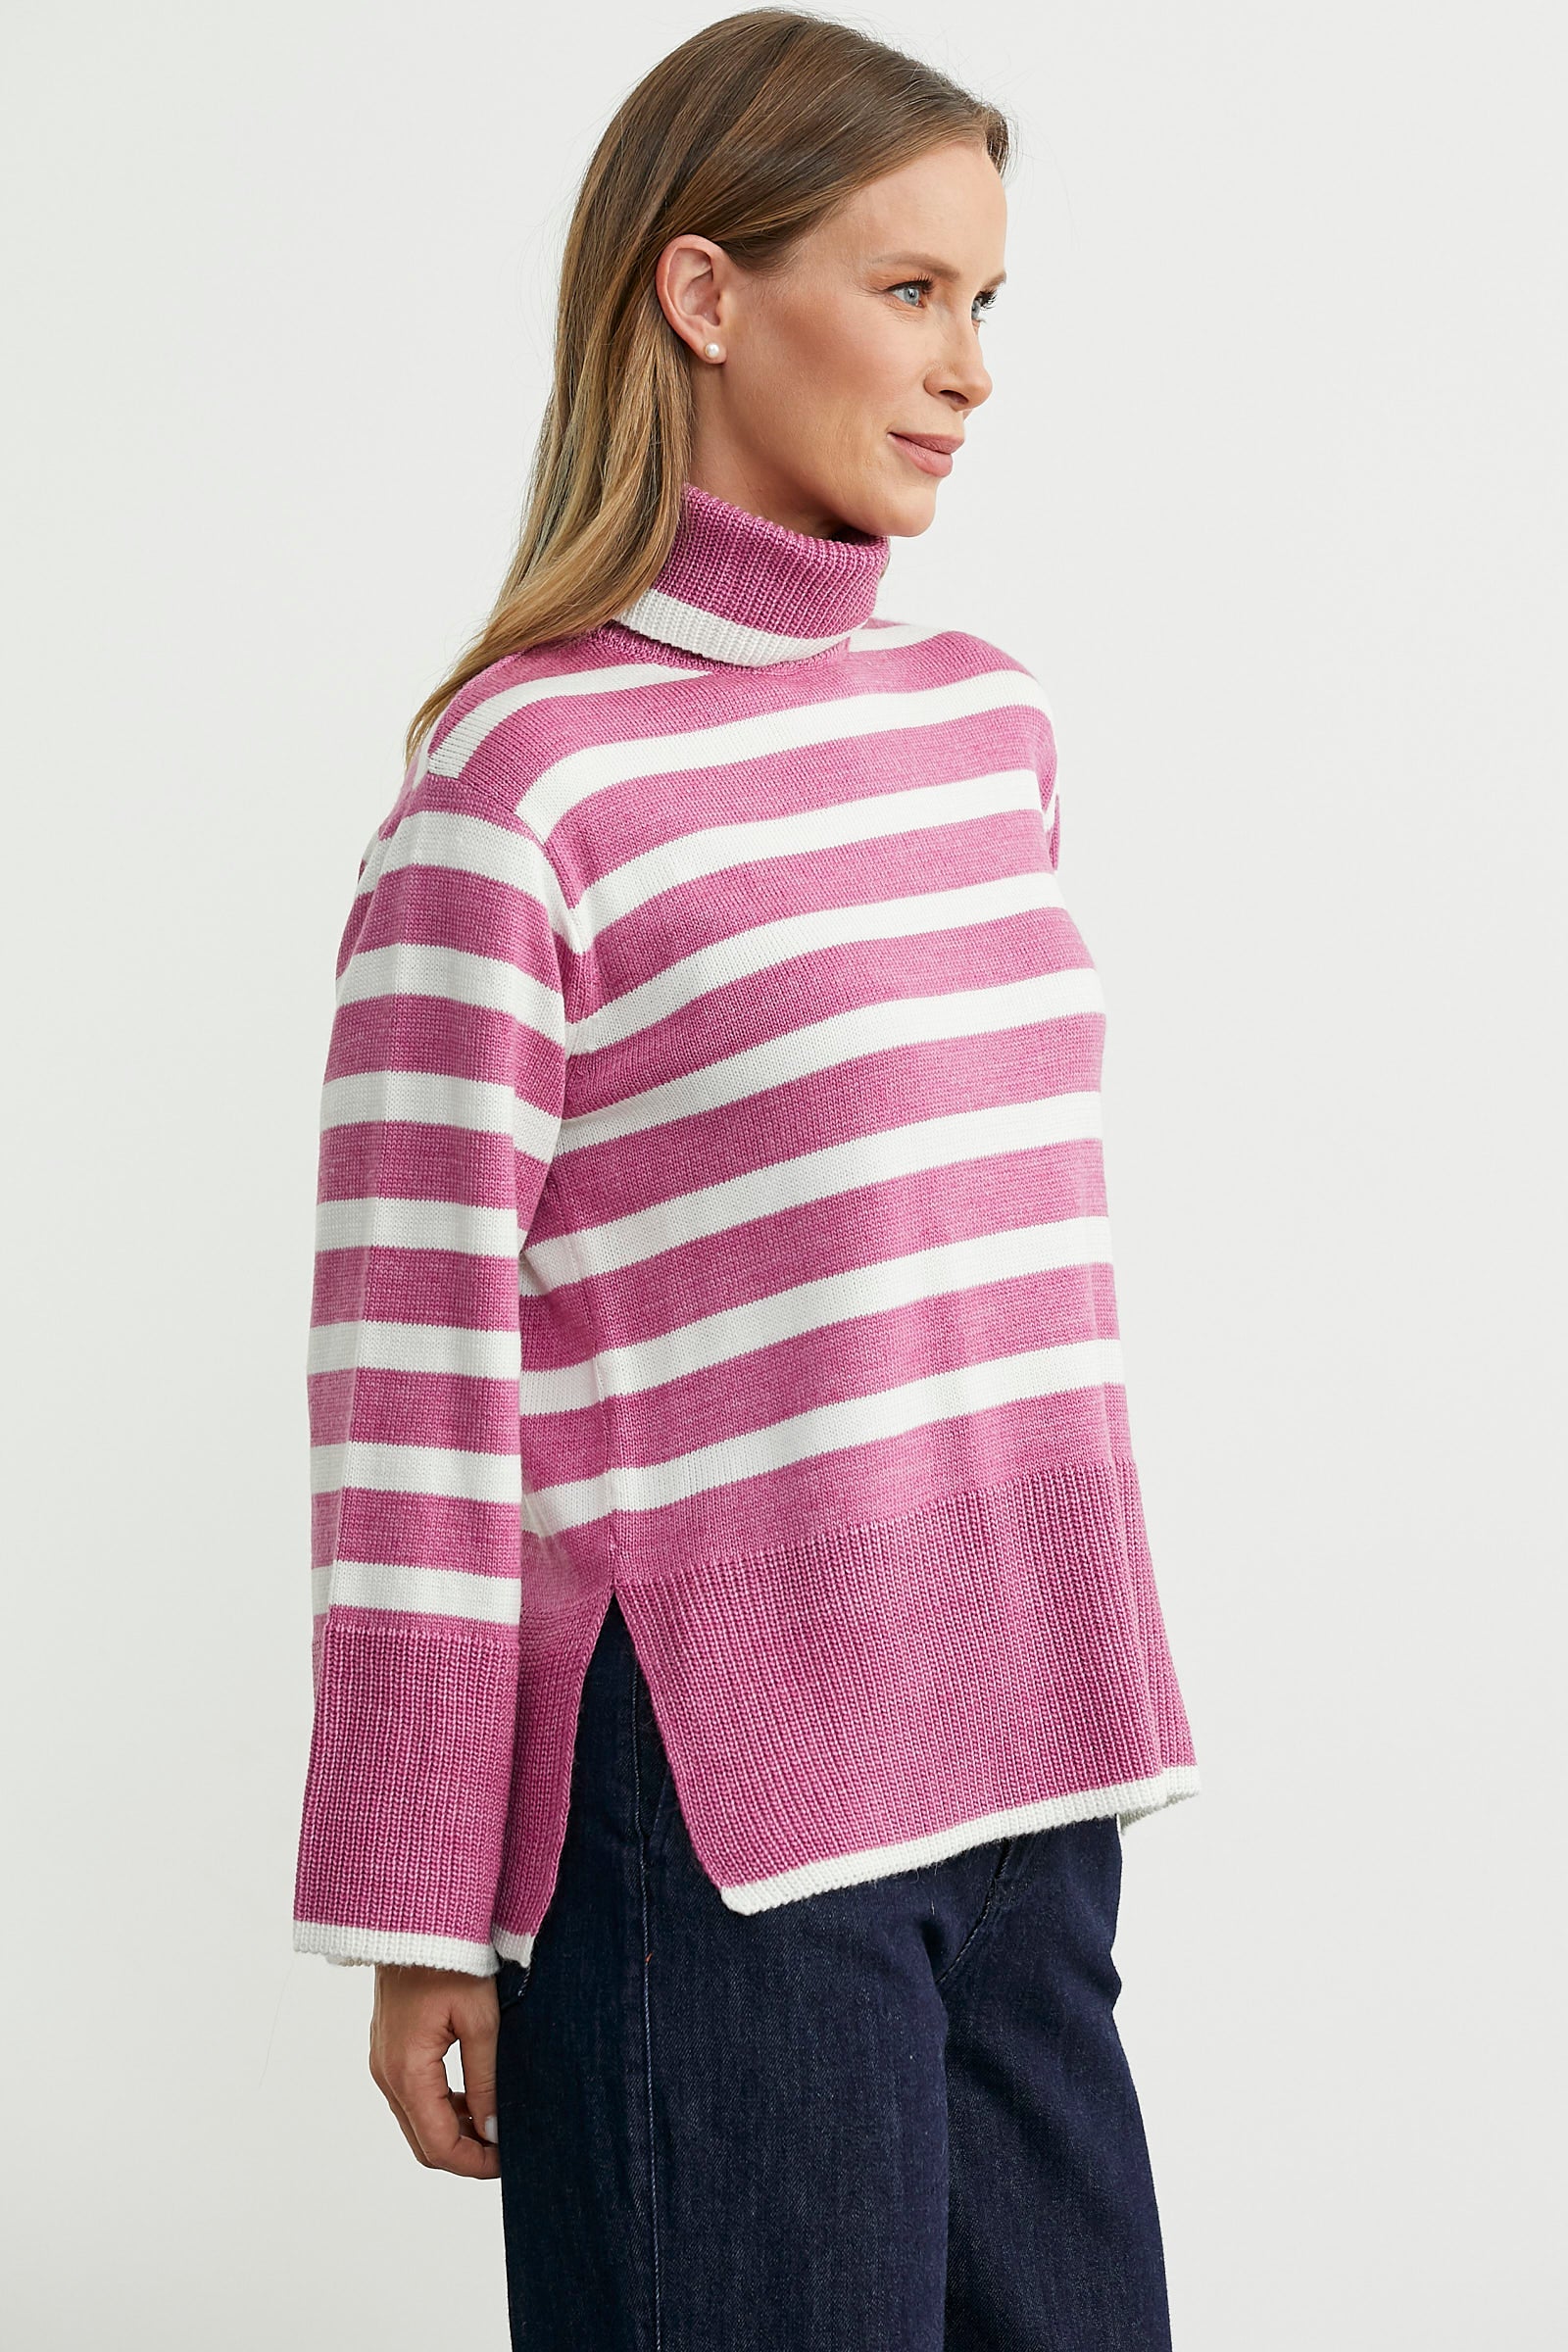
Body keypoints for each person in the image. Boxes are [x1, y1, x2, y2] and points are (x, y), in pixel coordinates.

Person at [291, 11, 1200, 2345]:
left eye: (982, 300)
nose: (967, 368)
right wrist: (419, 1901)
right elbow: (413, 1374)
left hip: (1026, 1764)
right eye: (905, 291)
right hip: (714, 1821)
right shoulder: (517, 789)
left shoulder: (984, 723)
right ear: (701, 293)